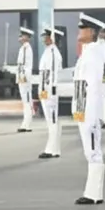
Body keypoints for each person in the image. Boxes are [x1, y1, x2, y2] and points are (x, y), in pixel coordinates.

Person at [74, 14, 105, 203]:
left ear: (92, 32)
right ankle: (91, 192)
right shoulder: (87, 52)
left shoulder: (94, 53)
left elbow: (94, 86)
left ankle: (94, 194)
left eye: (83, 29)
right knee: (89, 151)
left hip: (90, 110)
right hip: (83, 108)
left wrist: (92, 116)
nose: (79, 32)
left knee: (93, 151)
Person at [38, 27, 63, 159]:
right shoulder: (48, 51)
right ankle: (54, 149)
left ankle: (51, 149)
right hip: (45, 89)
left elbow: (53, 74)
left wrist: (51, 91)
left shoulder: (53, 52)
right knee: (51, 120)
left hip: (50, 90)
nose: (44, 39)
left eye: (46, 37)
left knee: (52, 120)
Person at [13, 26, 35, 132]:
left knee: (27, 101)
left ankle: (27, 124)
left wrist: (23, 78)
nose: (20, 37)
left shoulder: (26, 48)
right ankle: (25, 123)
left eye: (22, 35)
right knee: (25, 101)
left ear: (26, 37)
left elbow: (26, 66)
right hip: (22, 77)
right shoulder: (23, 48)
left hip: (24, 78)